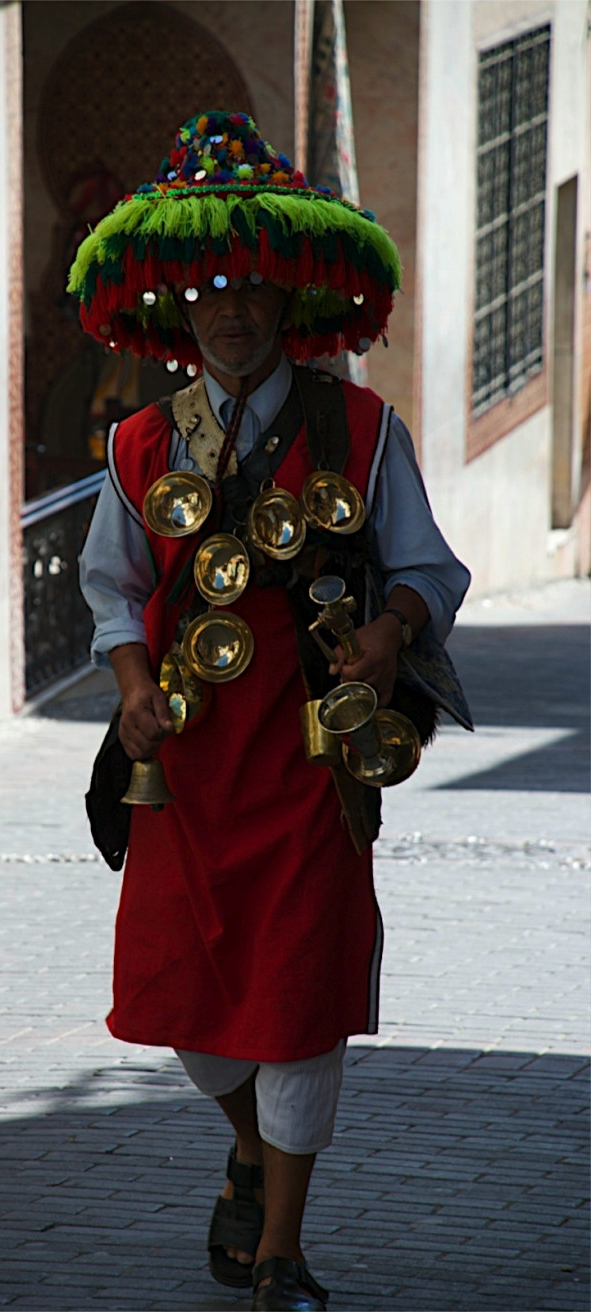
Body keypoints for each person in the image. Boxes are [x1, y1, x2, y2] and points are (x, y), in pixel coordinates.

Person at [71, 111, 471, 1312]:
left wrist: (392, 633)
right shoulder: (140, 444)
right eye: (208, 291)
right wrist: (131, 690)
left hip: (309, 758)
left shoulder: (364, 430)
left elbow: (429, 567)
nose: (230, 310)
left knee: (297, 1000)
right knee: (189, 1014)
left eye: (249, 286)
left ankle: (281, 1250)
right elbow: (113, 588)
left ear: (288, 297)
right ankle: (248, 1149)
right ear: (177, 307)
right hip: (186, 767)